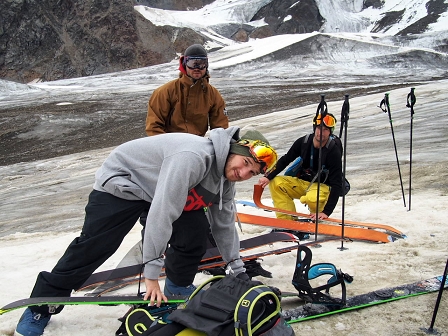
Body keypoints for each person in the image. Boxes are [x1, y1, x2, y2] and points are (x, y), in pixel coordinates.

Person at [15, 126, 278, 336]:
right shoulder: (194, 157)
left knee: (195, 233)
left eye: (251, 173)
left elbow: (223, 224)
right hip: (123, 184)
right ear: (234, 148)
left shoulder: (225, 178)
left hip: (159, 190)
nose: (242, 173)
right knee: (94, 246)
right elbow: (163, 212)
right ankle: (39, 306)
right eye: (244, 163)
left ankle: (177, 291)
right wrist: (151, 273)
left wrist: (237, 268)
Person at [258, 113, 342, 224]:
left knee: (313, 199)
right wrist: (268, 177)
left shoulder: (333, 151)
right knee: (276, 183)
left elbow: (337, 183)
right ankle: (287, 221)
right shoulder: (304, 142)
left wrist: (326, 212)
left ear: (330, 131)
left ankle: (318, 219)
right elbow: (285, 160)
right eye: (318, 128)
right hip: (304, 183)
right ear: (314, 128)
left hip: (323, 187)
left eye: (325, 129)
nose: (321, 132)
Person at [145, 43, 228, 136]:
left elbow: (221, 128)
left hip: (197, 145)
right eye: (192, 63)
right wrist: (168, 148)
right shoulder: (164, 92)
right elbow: (153, 128)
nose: (197, 68)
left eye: (201, 64)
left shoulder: (213, 95)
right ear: (184, 64)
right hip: (169, 145)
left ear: (206, 65)